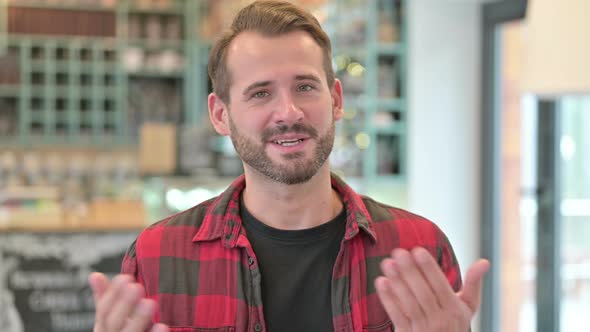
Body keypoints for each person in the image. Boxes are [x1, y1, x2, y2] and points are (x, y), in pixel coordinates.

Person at [89, 1, 490, 331]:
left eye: (305, 86)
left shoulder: (416, 246)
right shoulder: (158, 257)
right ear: (220, 114)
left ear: (335, 99)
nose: (289, 112)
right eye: (261, 93)